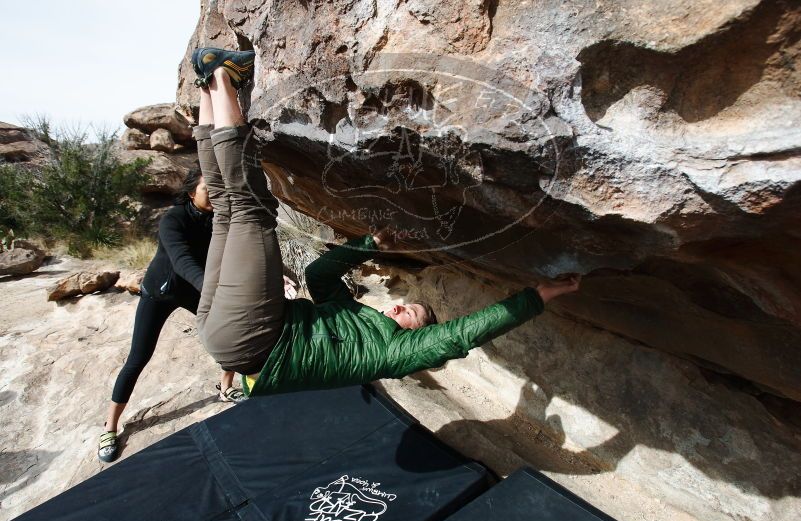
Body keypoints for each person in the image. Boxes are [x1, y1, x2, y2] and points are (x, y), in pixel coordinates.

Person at [190, 47, 581, 399]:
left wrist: (537, 297)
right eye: (403, 306)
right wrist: (370, 245)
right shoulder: (354, 319)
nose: (396, 309)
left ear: (417, 335)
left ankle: (224, 76)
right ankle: (208, 87)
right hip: (221, 331)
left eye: (408, 314)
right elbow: (319, 275)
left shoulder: (393, 354)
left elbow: (463, 333)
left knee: (251, 210)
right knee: (225, 211)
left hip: (251, 341)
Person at [97, 170, 274, 463]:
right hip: (160, 293)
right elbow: (181, 261)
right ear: (192, 192)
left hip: (195, 292)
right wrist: (213, 291)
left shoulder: (221, 219)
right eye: (208, 189)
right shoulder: (173, 219)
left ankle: (225, 388)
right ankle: (111, 427)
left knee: (230, 335)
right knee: (138, 357)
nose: (216, 195)